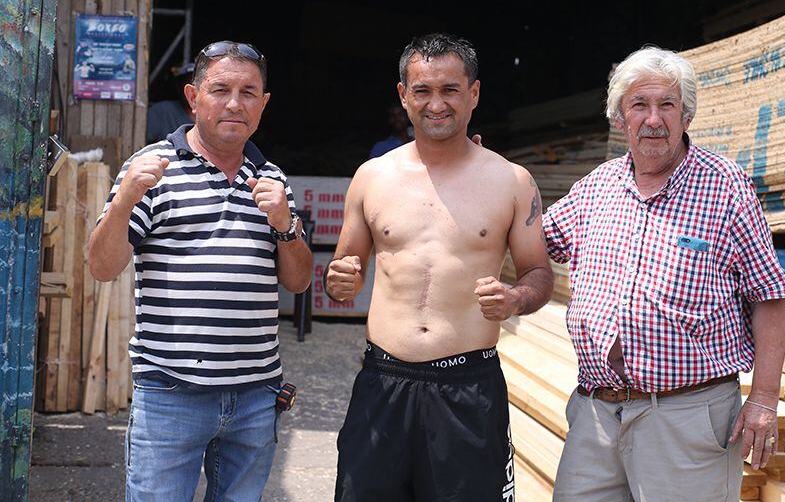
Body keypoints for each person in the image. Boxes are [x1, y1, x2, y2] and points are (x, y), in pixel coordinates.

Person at [544, 45, 785, 501]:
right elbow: (533, 242)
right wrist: (492, 178)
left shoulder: (726, 186)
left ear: (687, 116)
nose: (653, 119)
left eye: (667, 105)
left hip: (687, 417)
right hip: (596, 415)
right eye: (639, 105)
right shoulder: (595, 188)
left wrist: (763, 399)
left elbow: (768, 296)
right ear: (621, 118)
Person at [326, 33, 554, 502]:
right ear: (403, 95)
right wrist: (339, 279)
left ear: (473, 94)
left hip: (468, 386)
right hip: (382, 382)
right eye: (423, 90)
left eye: (450, 89)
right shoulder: (372, 177)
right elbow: (344, 272)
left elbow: (538, 273)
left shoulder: (511, 181)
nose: (436, 104)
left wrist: (516, 299)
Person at [87, 40, 313, 502]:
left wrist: (286, 226)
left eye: (249, 92)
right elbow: (102, 267)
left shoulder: (272, 178)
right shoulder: (151, 170)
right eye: (220, 89)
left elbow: (299, 280)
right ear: (193, 98)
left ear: (263, 104)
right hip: (172, 392)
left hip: (255, 394)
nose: (235, 103)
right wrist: (125, 199)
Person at [146, 62, 195, 143]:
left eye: (196, 85)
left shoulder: (213, 114)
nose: (191, 92)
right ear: (179, 87)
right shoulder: (161, 112)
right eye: (186, 84)